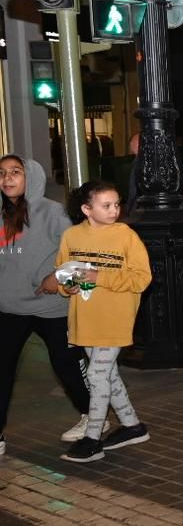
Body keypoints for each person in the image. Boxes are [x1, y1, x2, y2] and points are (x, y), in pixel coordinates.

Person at [0, 156, 91, 456]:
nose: (7, 179)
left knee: (66, 365)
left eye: (16, 172)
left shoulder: (50, 211)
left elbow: (74, 252)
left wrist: (58, 276)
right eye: (2, 173)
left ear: (32, 176)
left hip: (50, 306)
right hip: (10, 308)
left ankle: (93, 417)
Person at [56, 181, 152, 463]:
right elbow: (63, 273)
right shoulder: (72, 236)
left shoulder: (126, 235)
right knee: (107, 375)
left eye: (116, 204)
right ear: (87, 209)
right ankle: (132, 426)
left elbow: (142, 278)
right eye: (106, 205)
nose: (114, 210)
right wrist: (69, 286)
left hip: (116, 318)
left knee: (97, 376)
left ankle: (92, 439)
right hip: (85, 319)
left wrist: (100, 278)